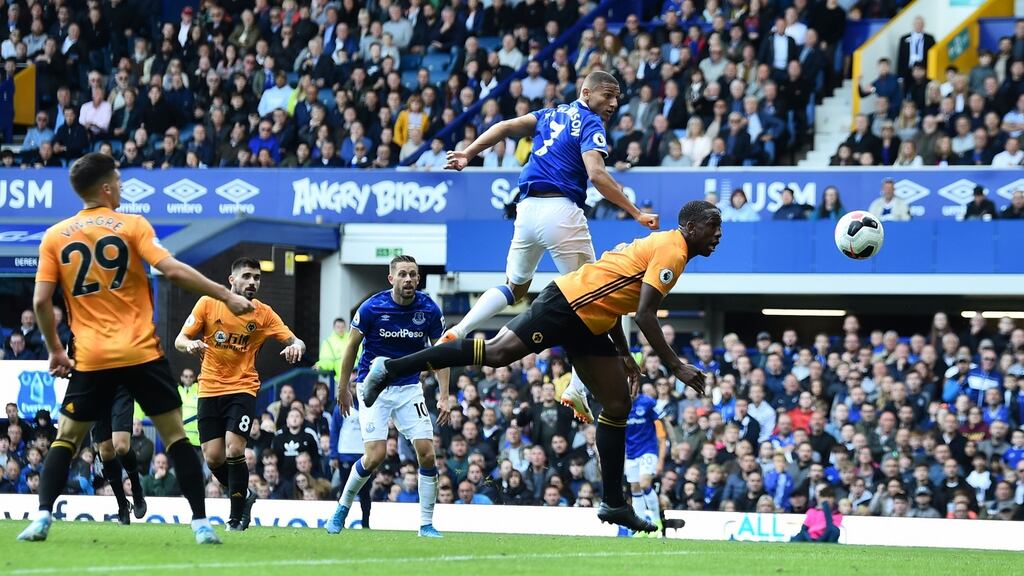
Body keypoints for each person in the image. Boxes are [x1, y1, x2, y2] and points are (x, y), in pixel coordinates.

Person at [360, 200, 721, 533]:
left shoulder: (668, 246)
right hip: (568, 305)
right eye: (712, 226)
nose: (718, 234)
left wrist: (624, 353)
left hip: (591, 318)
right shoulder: (673, 251)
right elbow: (644, 314)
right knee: (497, 353)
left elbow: (614, 296)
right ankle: (391, 369)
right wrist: (677, 366)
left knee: (617, 404)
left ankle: (613, 503)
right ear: (691, 227)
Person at [18, 153, 254, 545]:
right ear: (106, 188)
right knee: (176, 437)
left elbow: (41, 301)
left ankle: (42, 517)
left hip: (91, 356)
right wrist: (224, 295)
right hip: (140, 352)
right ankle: (200, 524)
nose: (122, 186)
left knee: (66, 438)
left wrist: (57, 350)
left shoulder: (55, 236)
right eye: (118, 180)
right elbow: (172, 269)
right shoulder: (132, 225)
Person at [441, 70, 658, 426]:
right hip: (562, 212)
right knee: (595, 298)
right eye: (608, 95)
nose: (613, 103)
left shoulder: (550, 113)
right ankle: (576, 387)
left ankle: (461, 329)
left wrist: (468, 152)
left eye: (617, 97)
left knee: (515, 287)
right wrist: (635, 212)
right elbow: (597, 174)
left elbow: (505, 126)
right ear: (586, 93)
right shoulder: (590, 123)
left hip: (526, 210)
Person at [174, 257, 305, 531]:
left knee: (235, 448)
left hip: (243, 387)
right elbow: (179, 340)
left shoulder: (263, 313)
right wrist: (191, 345)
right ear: (231, 280)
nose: (252, 282)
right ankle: (244, 495)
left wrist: (297, 347)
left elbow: (296, 340)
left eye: (256, 277)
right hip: (209, 388)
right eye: (246, 276)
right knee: (213, 457)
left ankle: (234, 518)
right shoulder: (208, 303)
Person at [325, 255, 450, 538]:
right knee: (375, 456)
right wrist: (342, 387)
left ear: (418, 279)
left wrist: (444, 396)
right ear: (391, 278)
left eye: (413, 274)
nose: (408, 279)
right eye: (403, 274)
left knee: (427, 452)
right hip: (373, 387)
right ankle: (343, 506)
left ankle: (426, 524)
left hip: (409, 387)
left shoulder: (429, 309)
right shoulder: (372, 307)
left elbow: (442, 354)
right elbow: (350, 347)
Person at [89, 384, 147, 524]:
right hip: (98, 389)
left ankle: (137, 491)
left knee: (121, 445)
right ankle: (122, 505)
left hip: (122, 385)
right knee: (106, 451)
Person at [626, 383, 668, 531]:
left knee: (644, 484)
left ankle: (656, 521)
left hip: (648, 450)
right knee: (635, 488)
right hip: (630, 453)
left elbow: (664, 420)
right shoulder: (619, 405)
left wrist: (672, 443)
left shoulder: (648, 402)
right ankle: (640, 526)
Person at [316, 318, 350, 385]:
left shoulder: (351, 339)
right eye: (338, 327)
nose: (340, 329)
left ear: (345, 327)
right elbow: (326, 360)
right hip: (341, 380)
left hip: (356, 376)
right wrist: (320, 365)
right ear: (334, 328)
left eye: (342, 327)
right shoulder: (328, 342)